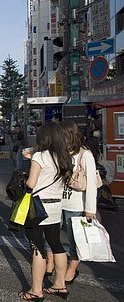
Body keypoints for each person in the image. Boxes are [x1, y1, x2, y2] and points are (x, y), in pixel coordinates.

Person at [18, 122, 73, 301]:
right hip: (56, 206)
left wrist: (25, 175)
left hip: (38, 207)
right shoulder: (64, 157)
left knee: (37, 248)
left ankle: (36, 290)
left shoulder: (40, 157)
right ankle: (60, 285)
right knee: (56, 245)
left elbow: (31, 184)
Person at [44, 120, 98, 285]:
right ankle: (50, 262)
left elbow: (91, 185)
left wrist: (90, 209)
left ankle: (72, 268)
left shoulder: (84, 154)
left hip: (76, 206)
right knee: (50, 235)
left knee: (76, 239)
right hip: (56, 202)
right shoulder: (58, 152)